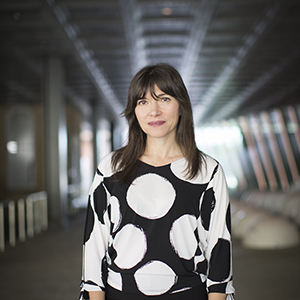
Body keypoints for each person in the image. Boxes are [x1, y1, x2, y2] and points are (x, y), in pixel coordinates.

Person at [80, 63, 235, 300]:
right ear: (134, 111)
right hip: (121, 293)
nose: (154, 111)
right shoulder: (112, 168)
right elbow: (94, 247)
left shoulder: (207, 170)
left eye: (164, 99)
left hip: (187, 293)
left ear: (181, 106)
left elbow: (219, 249)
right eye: (143, 102)